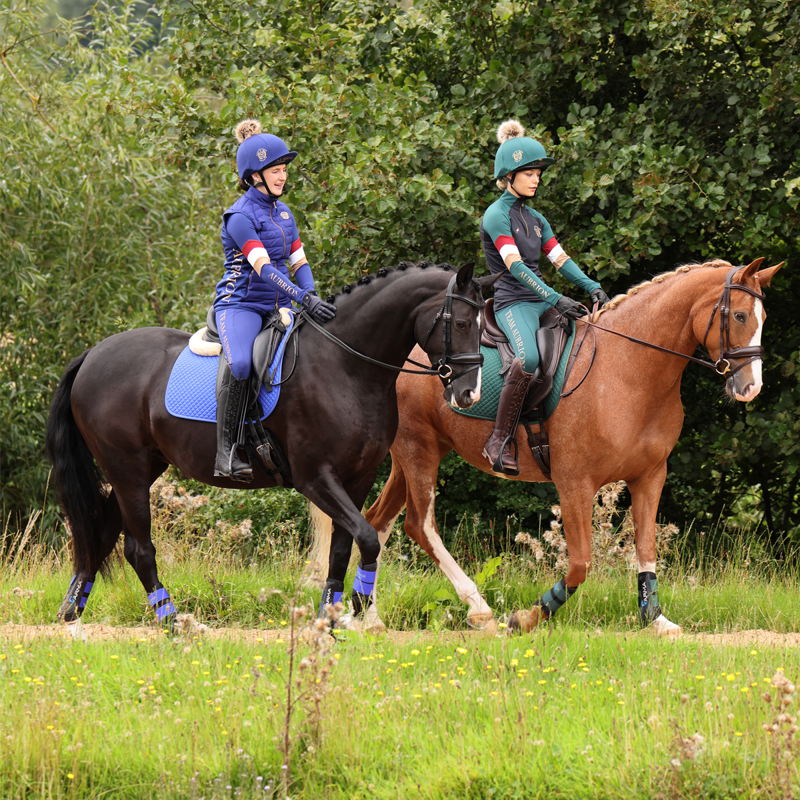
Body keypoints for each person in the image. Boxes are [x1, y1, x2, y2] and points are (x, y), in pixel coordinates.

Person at [480, 120, 610, 475]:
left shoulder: (537, 218)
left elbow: (560, 260)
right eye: (528, 172)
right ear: (508, 177)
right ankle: (499, 440)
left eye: (538, 172)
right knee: (528, 358)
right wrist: (556, 299)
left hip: (543, 300)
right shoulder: (496, 216)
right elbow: (518, 268)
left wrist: (591, 286)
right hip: (513, 303)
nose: (536, 178)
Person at [212, 119, 336, 481]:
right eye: (275, 170)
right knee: (241, 367)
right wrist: (301, 298)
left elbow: (298, 260)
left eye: (283, 170)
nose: (282, 177)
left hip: (278, 305)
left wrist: (310, 294)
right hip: (242, 306)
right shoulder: (239, 217)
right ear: (254, 176)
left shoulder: (284, 213)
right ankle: (226, 452)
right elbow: (264, 268)